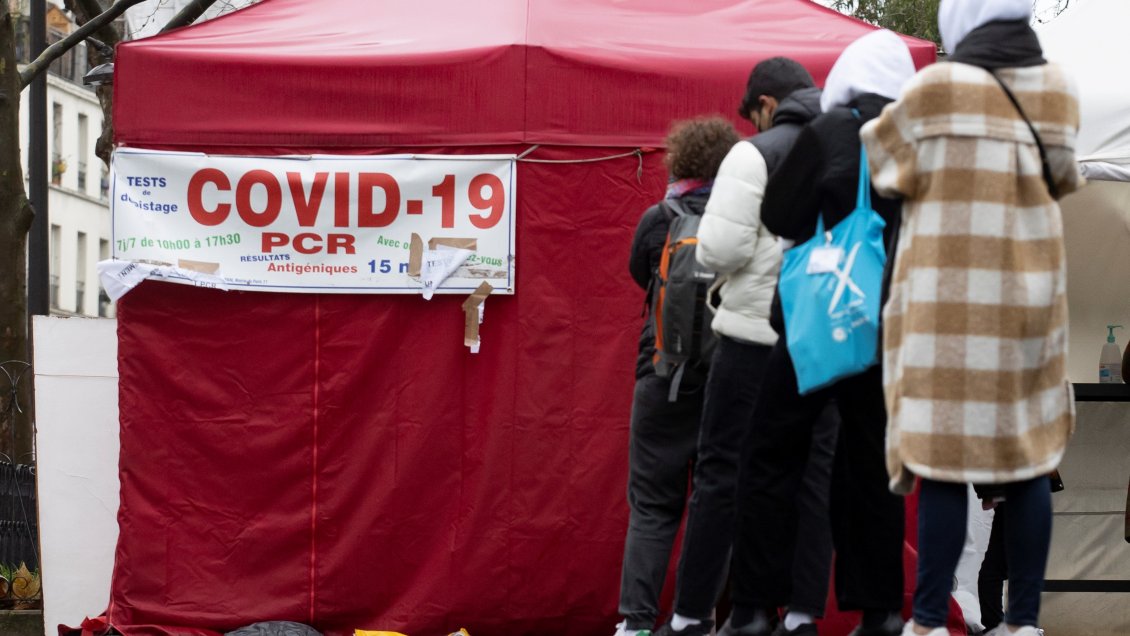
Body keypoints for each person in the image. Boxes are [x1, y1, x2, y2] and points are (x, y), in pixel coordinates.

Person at [859, 1, 1084, 635]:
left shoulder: (934, 89)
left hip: (947, 304)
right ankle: (1025, 621)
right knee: (1028, 458)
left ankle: (930, 619)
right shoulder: (1057, 89)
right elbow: (1064, 176)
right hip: (1028, 302)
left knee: (942, 462)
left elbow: (880, 163)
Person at [725, 30, 918, 636]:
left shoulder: (831, 130)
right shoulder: (916, 139)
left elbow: (778, 213)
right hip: (883, 324)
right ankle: (880, 611)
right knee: (870, 466)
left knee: (771, 453)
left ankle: (754, 607)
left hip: (817, 318)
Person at [652, 57, 833, 636]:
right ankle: (799, 615)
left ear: (767, 104)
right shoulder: (848, 147)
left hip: (753, 339)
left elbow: (719, 251)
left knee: (722, 475)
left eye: (753, 114)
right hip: (824, 342)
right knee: (812, 479)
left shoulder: (752, 155)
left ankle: (691, 615)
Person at [616, 116, 742, 636]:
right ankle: (697, 618)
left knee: (651, 506)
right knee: (716, 503)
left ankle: (636, 623)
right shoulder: (743, 220)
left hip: (661, 371)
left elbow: (639, 274)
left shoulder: (658, 218)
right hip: (727, 379)